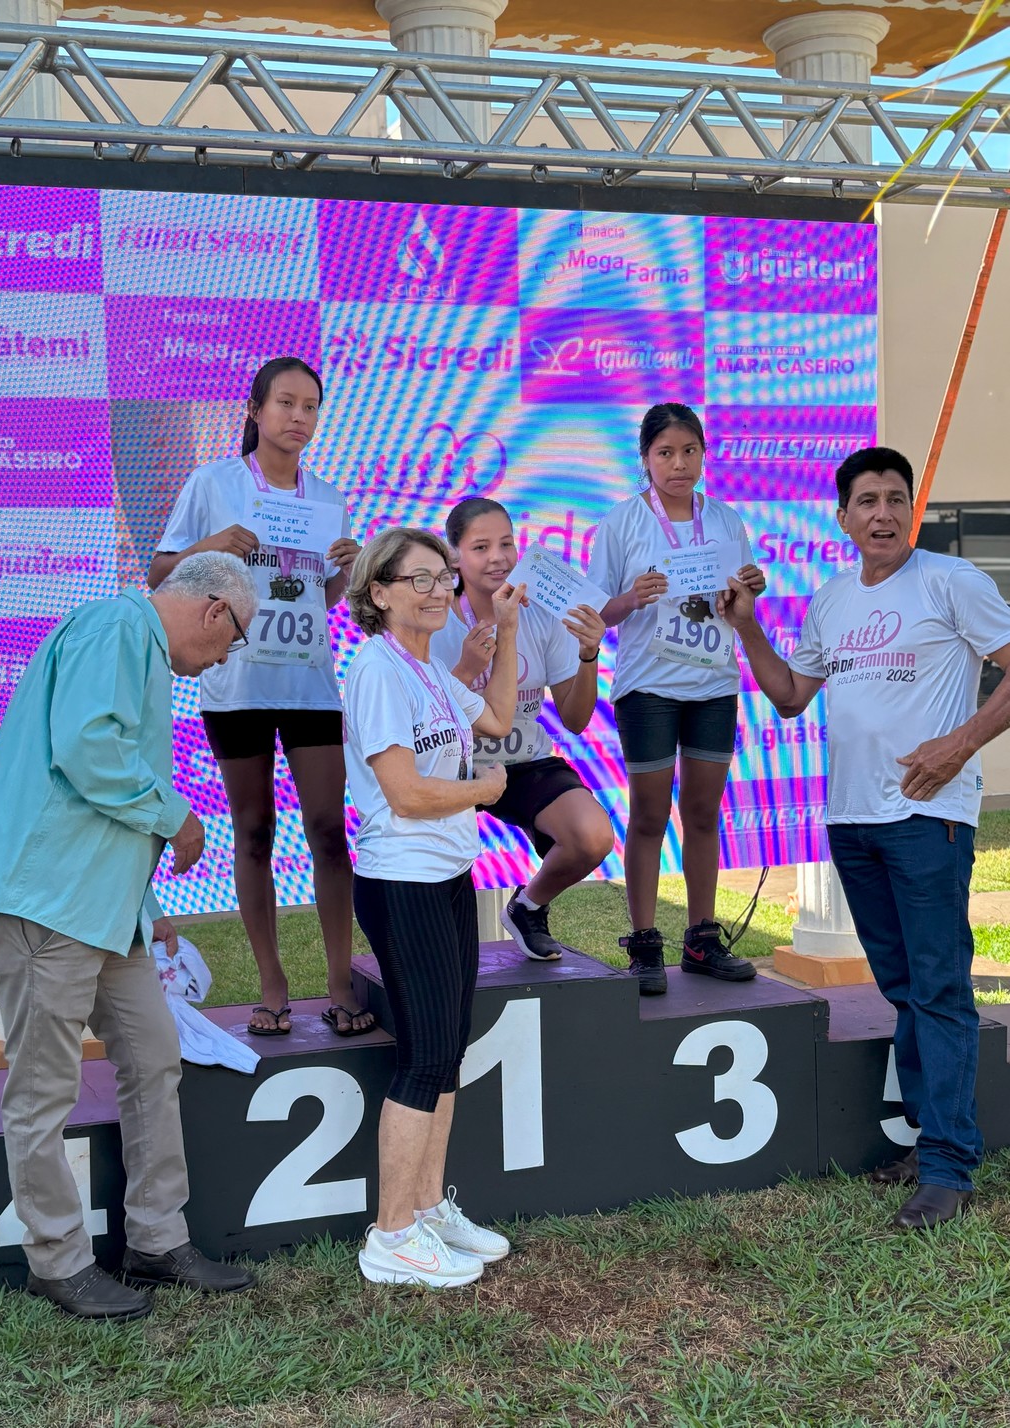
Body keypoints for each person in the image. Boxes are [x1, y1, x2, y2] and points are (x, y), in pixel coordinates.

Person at [0, 552, 260, 1320]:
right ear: (216, 610)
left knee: (153, 1058)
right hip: (41, 901)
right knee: (43, 1088)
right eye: (233, 641)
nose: (222, 660)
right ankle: (58, 1260)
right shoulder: (119, 623)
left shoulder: (129, 637)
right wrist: (173, 816)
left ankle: (155, 1238)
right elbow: (89, 751)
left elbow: (96, 781)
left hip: (95, 907)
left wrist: (144, 907)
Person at [721, 446, 1010, 1230]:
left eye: (895, 498)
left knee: (941, 988)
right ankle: (931, 1140)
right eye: (867, 500)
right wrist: (747, 629)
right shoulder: (829, 599)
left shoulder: (952, 583)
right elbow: (788, 697)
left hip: (926, 816)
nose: (883, 512)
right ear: (841, 517)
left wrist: (960, 744)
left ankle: (948, 1167)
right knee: (905, 990)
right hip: (851, 821)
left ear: (910, 508)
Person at [148, 358, 372, 1039]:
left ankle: (339, 982)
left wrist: (350, 568)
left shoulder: (326, 496)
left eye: (309, 406)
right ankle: (272, 986)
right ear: (254, 409)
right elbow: (158, 575)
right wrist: (212, 545)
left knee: (330, 833)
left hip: (308, 683)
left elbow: (324, 596)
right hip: (236, 683)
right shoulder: (213, 484)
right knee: (252, 832)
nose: (298, 417)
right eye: (285, 403)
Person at [343, 527, 522, 1287]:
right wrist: (482, 791)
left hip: (446, 876)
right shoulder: (377, 669)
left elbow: (497, 718)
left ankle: (423, 1212)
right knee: (422, 1058)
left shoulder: (425, 671)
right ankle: (389, 1236)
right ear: (378, 593)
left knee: (446, 1051)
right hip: (401, 880)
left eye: (443, 578)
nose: (439, 590)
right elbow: (407, 793)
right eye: (419, 580)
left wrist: (507, 631)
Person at [587, 402, 765, 994]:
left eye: (689, 451)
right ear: (645, 459)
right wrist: (631, 598)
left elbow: (738, 601)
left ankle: (701, 938)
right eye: (665, 453)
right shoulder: (621, 524)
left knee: (703, 814)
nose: (679, 463)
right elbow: (593, 616)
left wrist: (749, 589)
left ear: (704, 454)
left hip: (714, 683)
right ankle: (644, 945)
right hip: (648, 687)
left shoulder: (726, 519)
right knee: (649, 815)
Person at [432, 497, 614, 960]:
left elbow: (574, 720)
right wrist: (467, 666)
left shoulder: (540, 613)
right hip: (453, 766)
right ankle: (433, 945)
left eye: (507, 544)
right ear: (454, 556)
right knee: (440, 869)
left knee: (593, 836)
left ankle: (527, 907)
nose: (497, 557)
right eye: (480, 547)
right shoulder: (433, 620)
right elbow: (421, 715)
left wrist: (590, 653)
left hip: (523, 762)